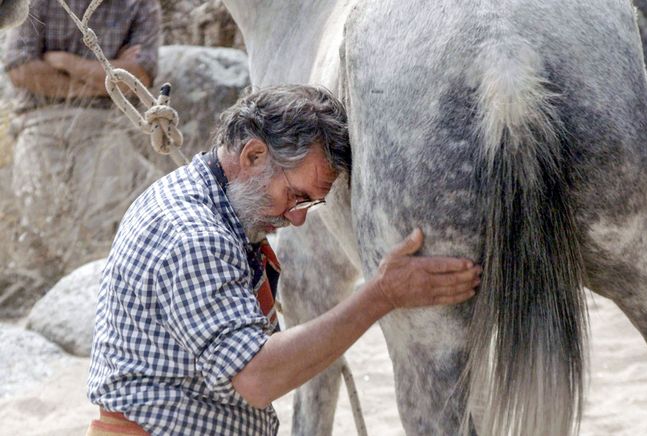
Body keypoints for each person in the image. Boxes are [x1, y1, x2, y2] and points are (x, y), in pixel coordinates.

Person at [86, 85, 481, 435]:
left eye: (311, 202)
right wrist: (382, 294)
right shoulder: (194, 236)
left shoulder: (203, 199)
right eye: (296, 195)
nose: (297, 217)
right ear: (254, 155)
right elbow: (257, 377)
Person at [2, 0, 162, 311]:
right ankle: (45, 299)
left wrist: (63, 61)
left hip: (105, 122)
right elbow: (20, 69)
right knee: (39, 212)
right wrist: (108, 76)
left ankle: (101, 302)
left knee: (105, 217)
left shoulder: (141, 3)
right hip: (39, 118)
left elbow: (139, 75)